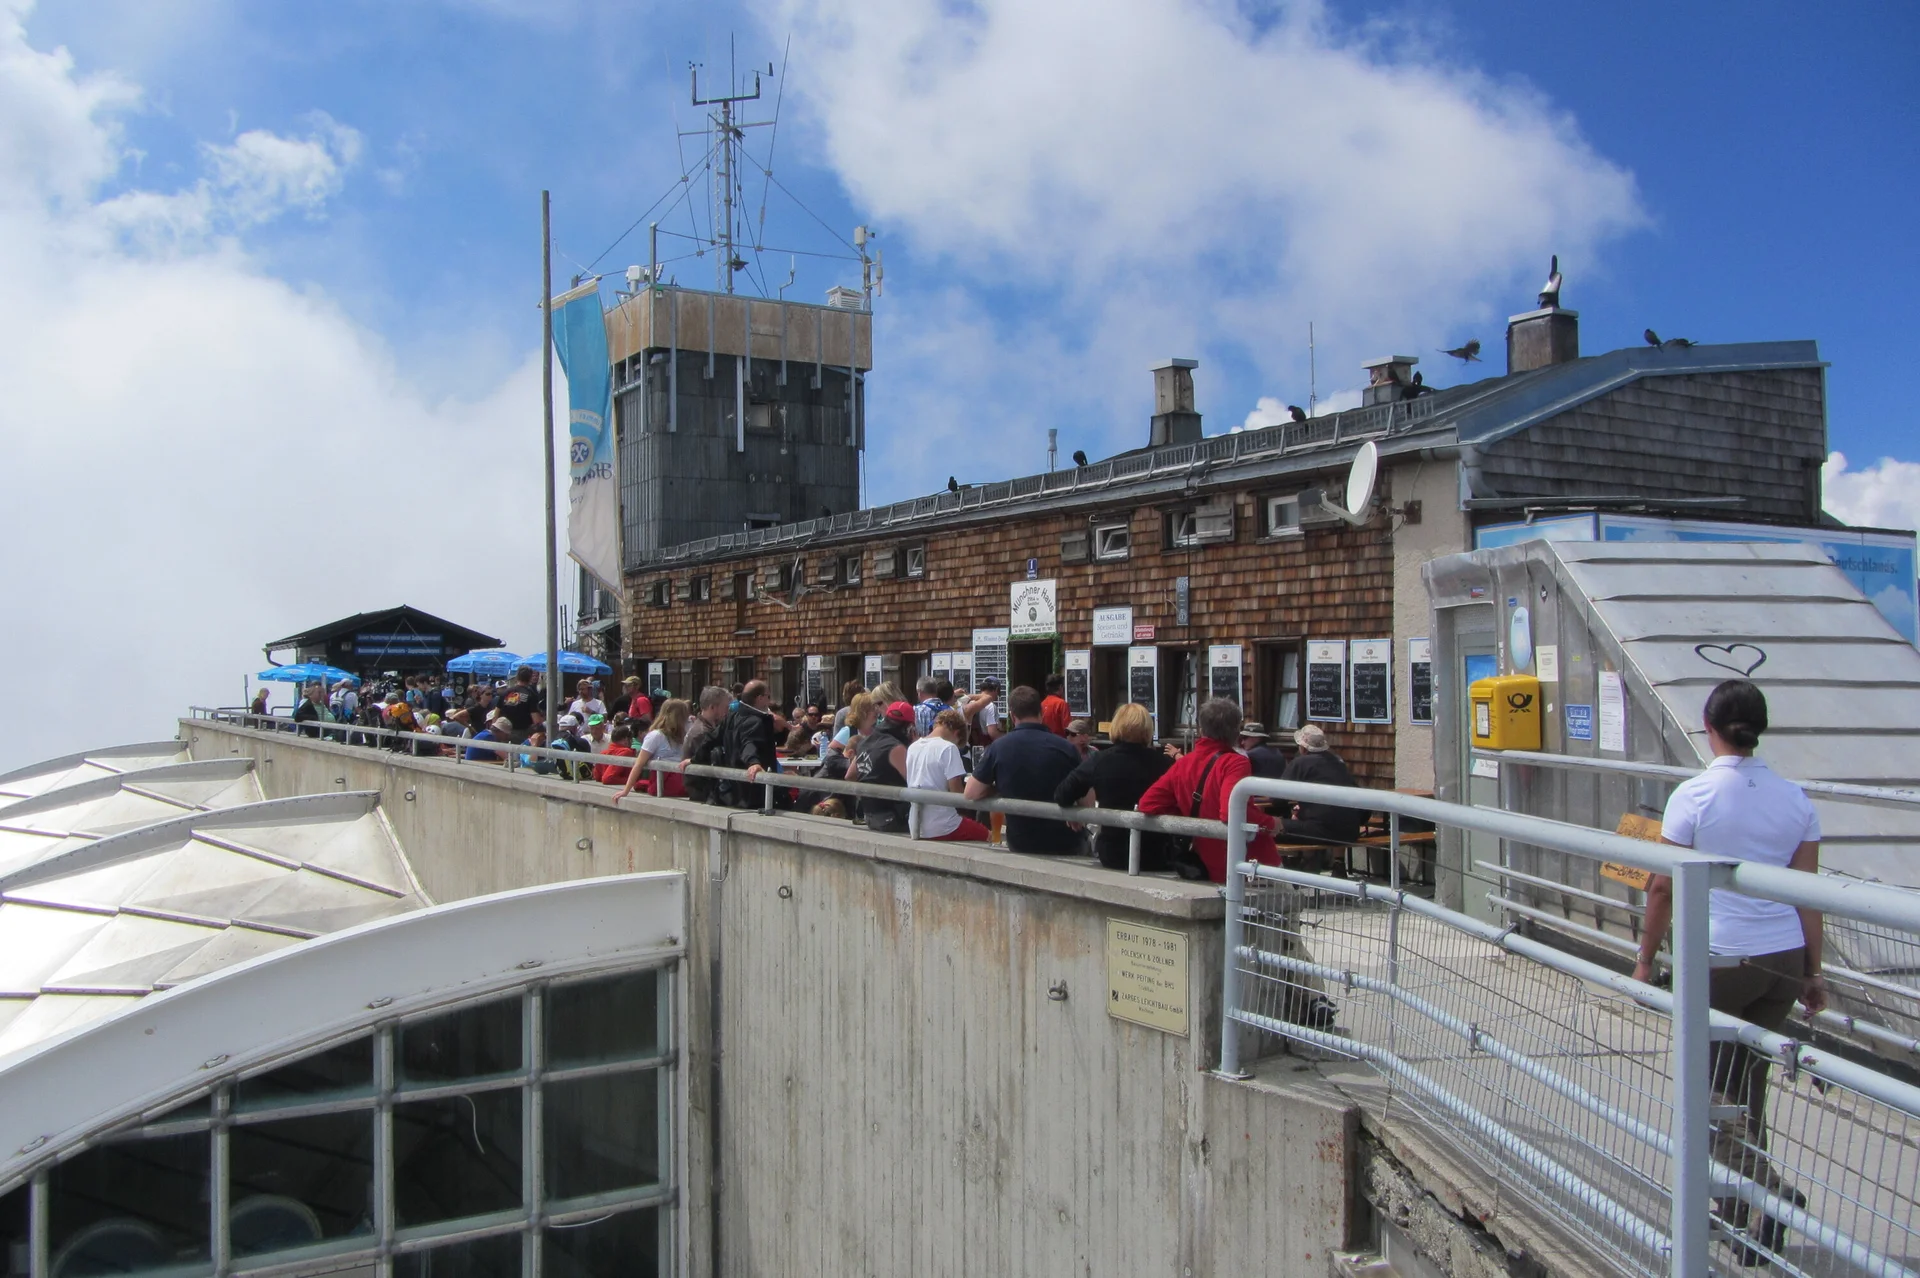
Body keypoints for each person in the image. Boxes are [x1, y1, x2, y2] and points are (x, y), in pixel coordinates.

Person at [1632, 680, 1823, 1259]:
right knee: (1747, 1087)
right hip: (1781, 960)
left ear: (1708, 727)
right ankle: (1742, 1213)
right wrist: (1814, 973)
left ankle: (1766, 1194)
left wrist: (1644, 961)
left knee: (1708, 1089)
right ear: (1760, 729)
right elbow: (1807, 895)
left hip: (1718, 959)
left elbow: (1662, 888)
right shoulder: (1796, 799)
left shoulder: (1693, 796)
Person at [1138, 698, 1279, 882]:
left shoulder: (1184, 763)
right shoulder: (1235, 763)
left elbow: (1147, 804)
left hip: (1203, 862)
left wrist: (1186, 811)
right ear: (1235, 731)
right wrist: (1271, 823)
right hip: (1247, 863)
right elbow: (1230, 812)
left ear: (1201, 729)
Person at [964, 685, 1082, 854]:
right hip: (1066, 843)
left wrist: (999, 787)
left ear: (1012, 716)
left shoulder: (998, 747)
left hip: (1021, 843)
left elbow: (971, 793)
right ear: (1041, 713)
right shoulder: (1067, 748)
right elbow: (1087, 800)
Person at [1055, 703, 1174, 870]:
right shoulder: (1165, 764)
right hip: (1156, 854)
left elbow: (1062, 793)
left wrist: (1073, 810)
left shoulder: (1100, 760)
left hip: (1114, 853)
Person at [1276, 724, 1362, 869]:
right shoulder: (1338, 763)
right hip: (1350, 832)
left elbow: (1277, 799)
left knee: (1271, 826)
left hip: (1321, 831)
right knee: (1308, 818)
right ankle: (1336, 864)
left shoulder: (1300, 763)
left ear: (1303, 748)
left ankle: (1290, 867)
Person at [907, 709, 990, 841]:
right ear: (956, 733)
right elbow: (957, 794)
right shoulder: (949, 748)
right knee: (989, 835)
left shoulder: (913, 747)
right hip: (944, 825)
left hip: (916, 825)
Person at [856, 701, 916, 833]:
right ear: (908, 727)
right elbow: (914, 782)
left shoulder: (863, 742)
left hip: (869, 816)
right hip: (892, 818)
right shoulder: (895, 748)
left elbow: (849, 776)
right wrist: (915, 746)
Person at [721, 680, 782, 807]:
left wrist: (693, 758)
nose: (769, 701)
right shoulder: (756, 721)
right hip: (754, 790)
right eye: (768, 696)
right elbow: (749, 743)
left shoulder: (732, 717)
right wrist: (753, 762)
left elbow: (711, 737)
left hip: (735, 788)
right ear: (760, 698)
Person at [618, 697, 691, 800]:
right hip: (666, 783)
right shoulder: (656, 736)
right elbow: (639, 764)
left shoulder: (686, 735)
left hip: (684, 781)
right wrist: (626, 790)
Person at [678, 686, 734, 803]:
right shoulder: (702, 732)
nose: (727, 711)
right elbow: (707, 759)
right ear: (712, 707)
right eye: (726, 707)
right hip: (703, 792)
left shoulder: (706, 728)